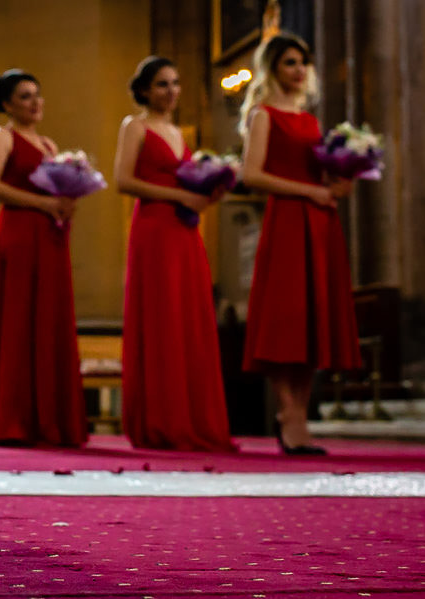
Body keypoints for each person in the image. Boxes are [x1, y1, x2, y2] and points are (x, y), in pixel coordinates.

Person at [239, 33, 361, 454]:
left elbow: (318, 174)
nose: (299, 70)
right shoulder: (263, 115)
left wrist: (339, 182)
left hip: (320, 223)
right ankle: (287, 414)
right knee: (286, 320)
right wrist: (308, 192)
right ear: (273, 68)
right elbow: (250, 174)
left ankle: (300, 415)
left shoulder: (310, 120)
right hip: (288, 221)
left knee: (312, 322)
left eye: (303, 62)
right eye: (290, 62)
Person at [113, 56, 235, 452]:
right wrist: (181, 194)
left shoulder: (178, 132)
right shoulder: (136, 126)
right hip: (154, 230)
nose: (172, 91)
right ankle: (161, 421)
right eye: (163, 84)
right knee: (163, 317)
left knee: (187, 318)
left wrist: (207, 192)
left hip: (185, 232)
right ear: (145, 90)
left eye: (176, 83)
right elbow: (124, 179)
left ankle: (190, 418)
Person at [0, 69, 86, 447]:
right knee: (19, 322)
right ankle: (14, 421)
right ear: (7, 103)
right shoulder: (2, 137)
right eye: (25, 96)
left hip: (50, 240)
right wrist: (45, 203)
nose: (35, 102)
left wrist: (68, 202)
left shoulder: (50, 146)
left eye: (37, 95)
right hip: (19, 236)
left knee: (48, 321)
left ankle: (49, 420)